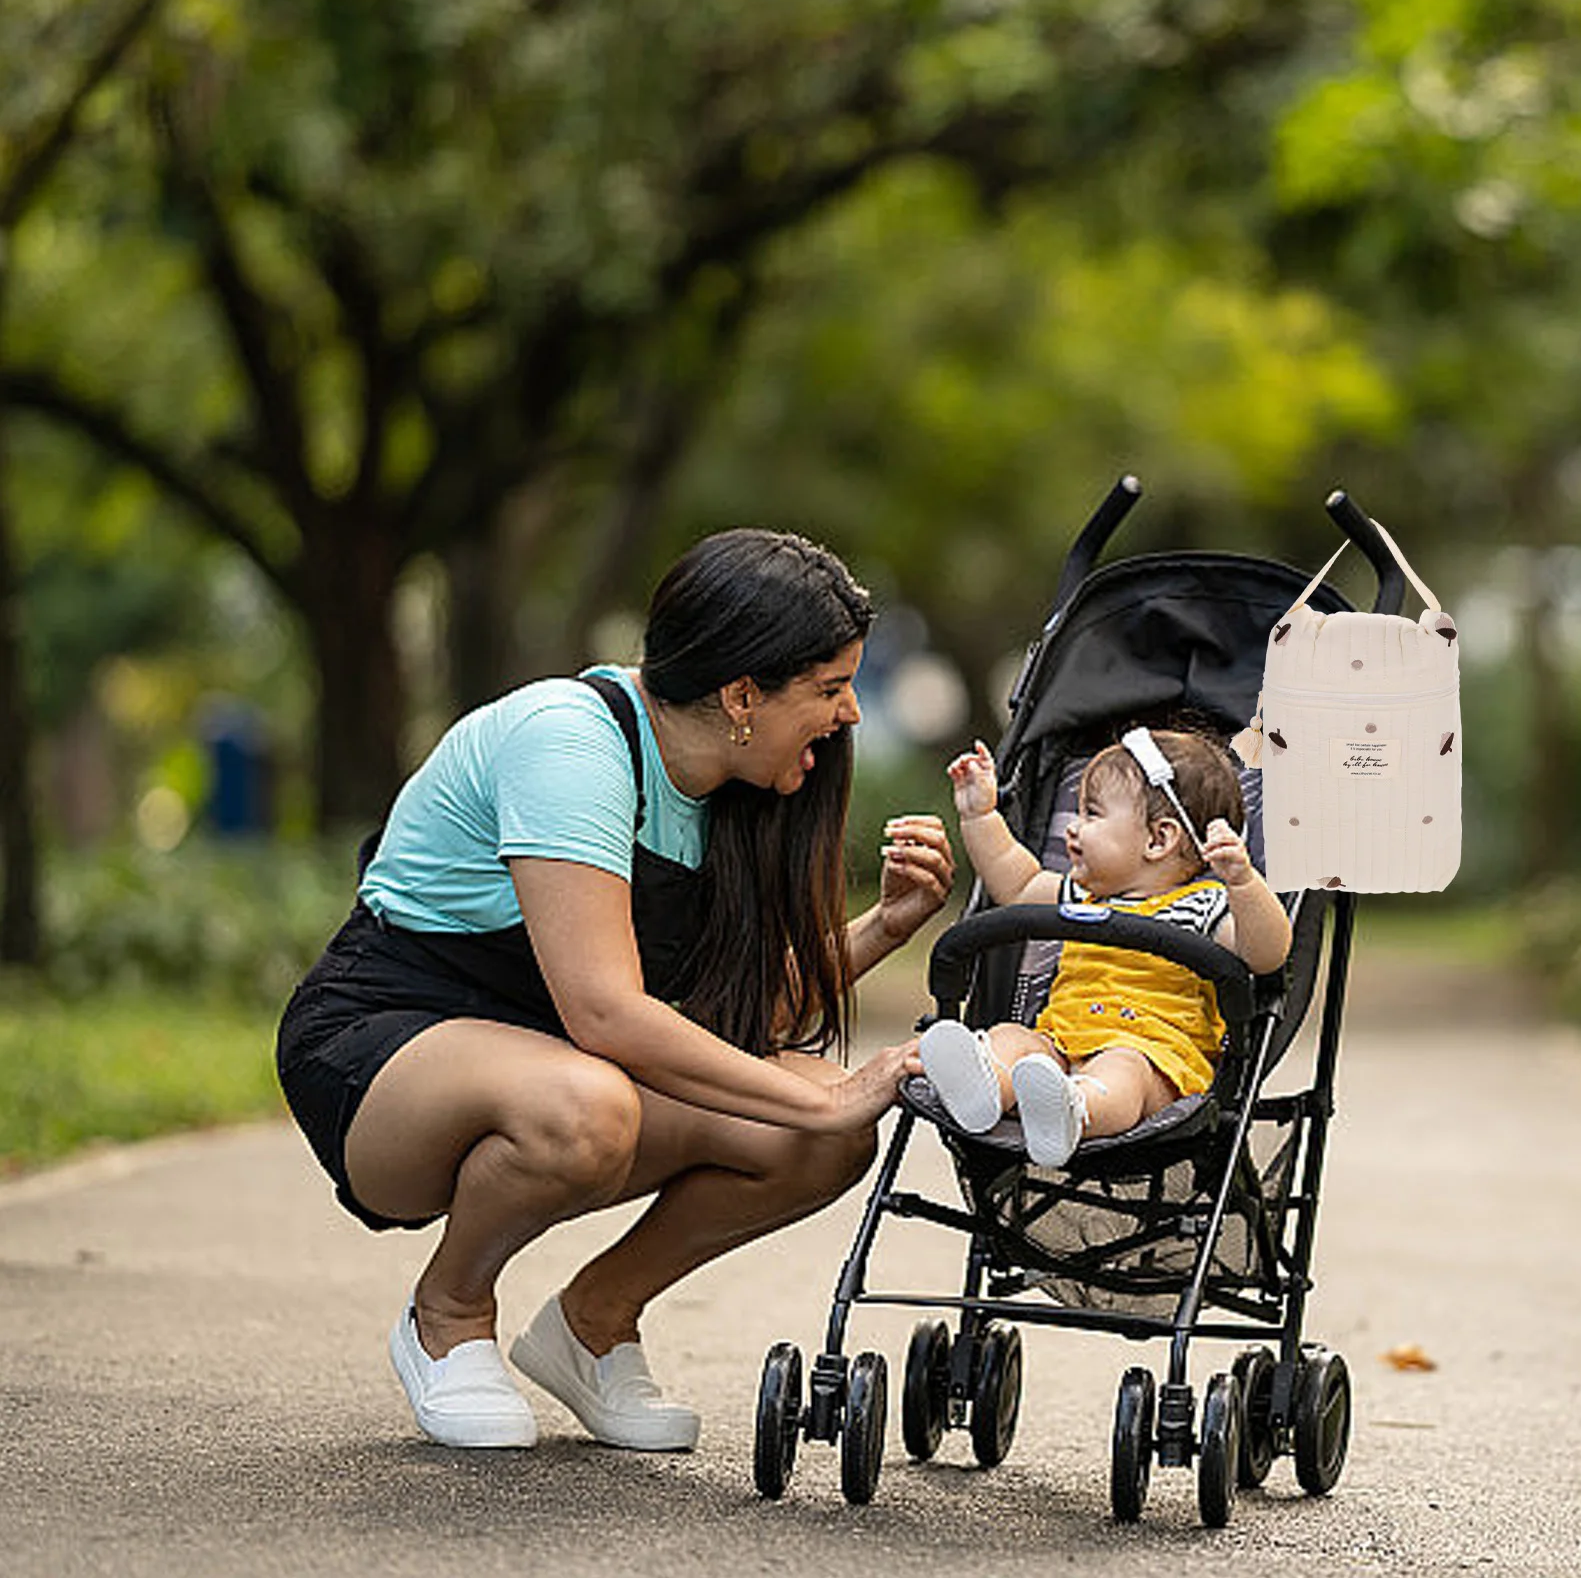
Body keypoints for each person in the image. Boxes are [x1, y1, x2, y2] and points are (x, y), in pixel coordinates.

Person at [276, 530, 954, 1451]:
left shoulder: (733, 790)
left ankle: (590, 1327)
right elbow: (607, 1014)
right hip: (388, 1052)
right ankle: (446, 1314)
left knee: (809, 1142)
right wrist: (825, 1098)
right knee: (606, 1106)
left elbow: (737, 1019)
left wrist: (884, 926)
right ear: (743, 694)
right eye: (831, 690)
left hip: (560, 1065)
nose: (850, 717)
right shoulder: (573, 743)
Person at [918, 729, 1290, 1167]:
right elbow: (1015, 884)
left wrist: (1244, 884)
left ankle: (1074, 1110)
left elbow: (1266, 954)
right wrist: (980, 815)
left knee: (1122, 1070)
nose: (1073, 828)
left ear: (1158, 840)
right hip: (1060, 1045)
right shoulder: (1084, 898)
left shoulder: (1202, 907)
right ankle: (982, 1089)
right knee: (1012, 1039)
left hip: (1153, 1059)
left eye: (1092, 814)